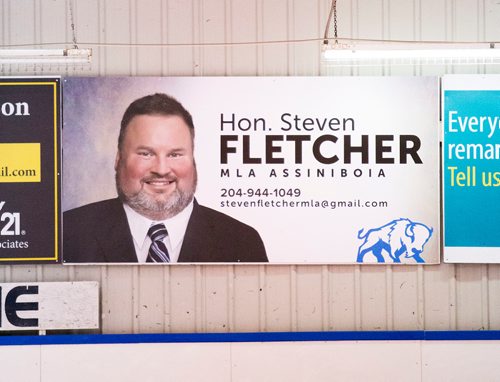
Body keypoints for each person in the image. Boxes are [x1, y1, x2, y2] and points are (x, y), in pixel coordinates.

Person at [63, 93, 268, 263]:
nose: (161, 170)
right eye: (146, 153)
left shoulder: (242, 242)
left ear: (193, 160)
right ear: (119, 159)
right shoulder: (67, 233)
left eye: (175, 154)